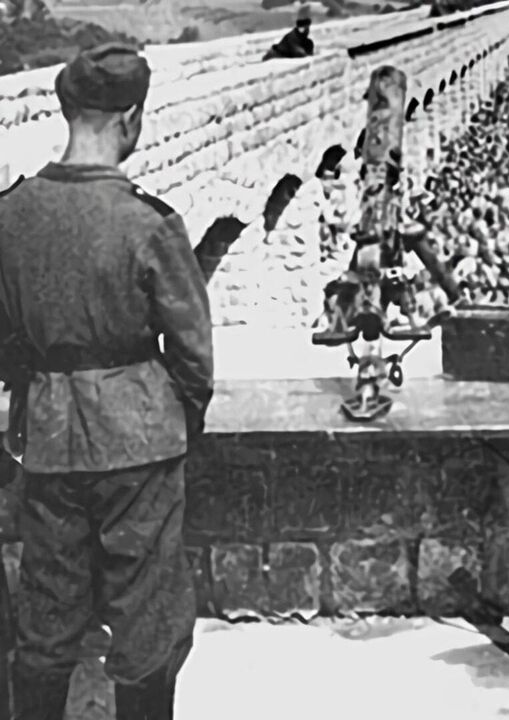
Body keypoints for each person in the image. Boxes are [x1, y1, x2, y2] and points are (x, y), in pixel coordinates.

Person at [0, 43, 213, 720]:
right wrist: (175, 421)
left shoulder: (10, 215)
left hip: (49, 436)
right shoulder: (148, 221)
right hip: (140, 439)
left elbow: (5, 343)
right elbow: (193, 356)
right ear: (130, 119)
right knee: (148, 620)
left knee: (47, 617)